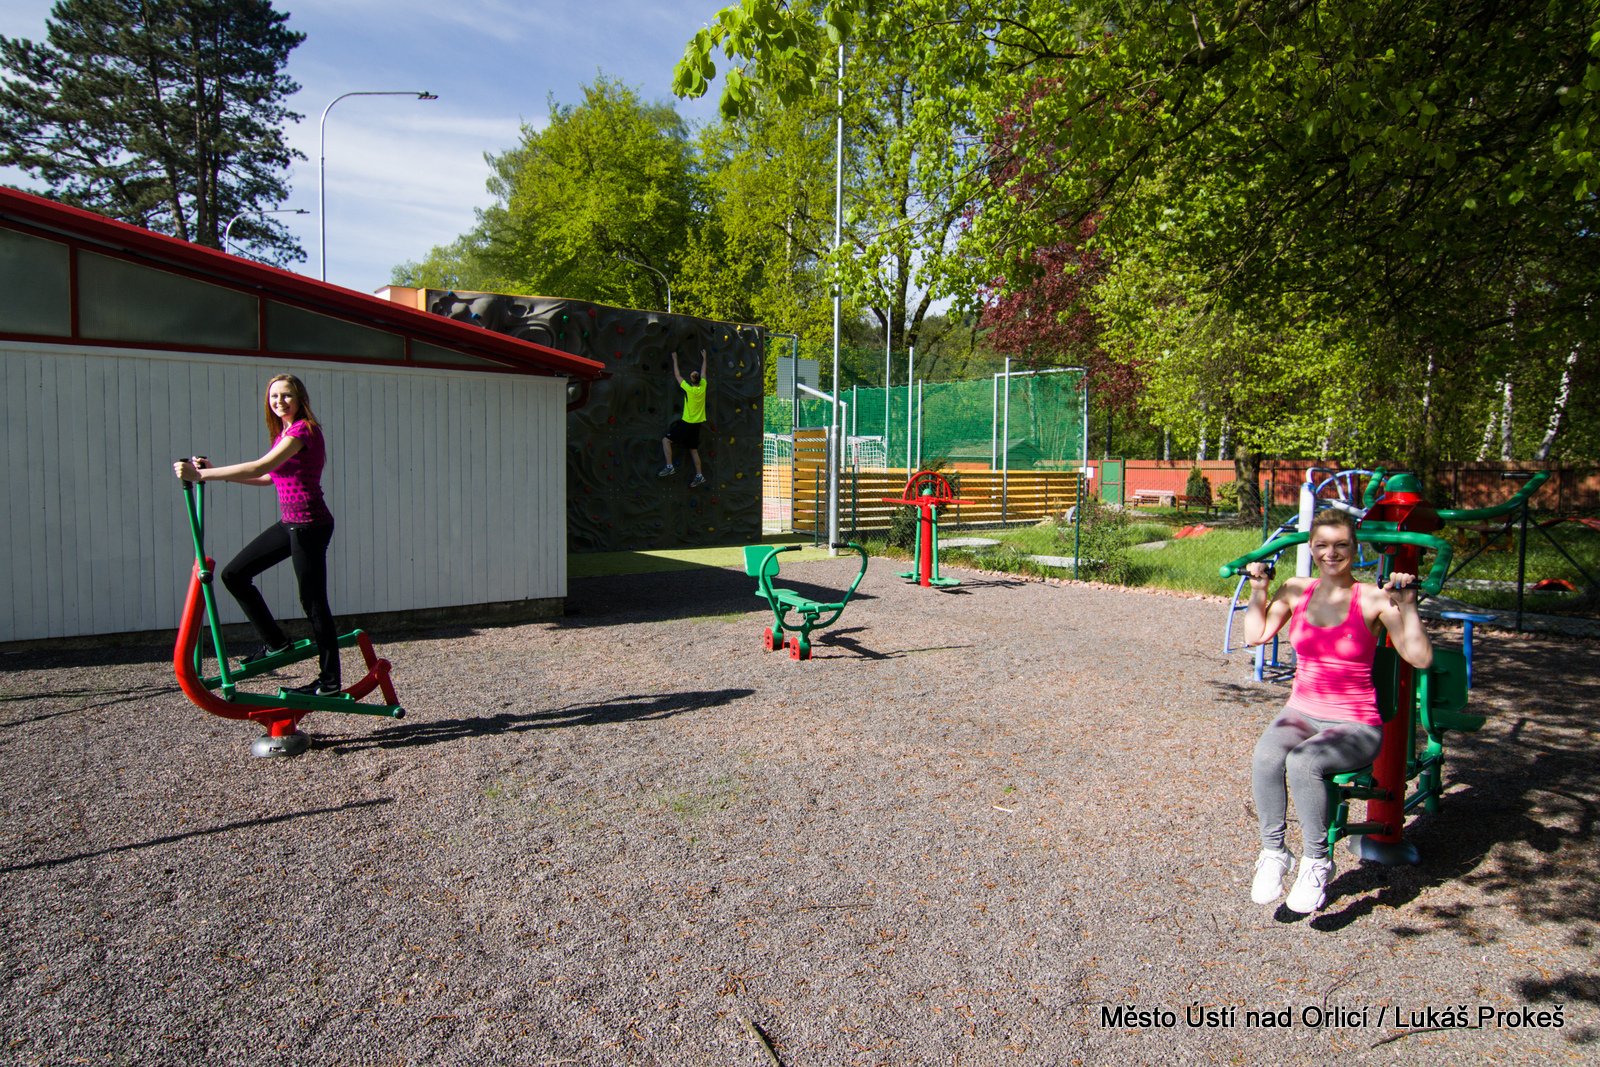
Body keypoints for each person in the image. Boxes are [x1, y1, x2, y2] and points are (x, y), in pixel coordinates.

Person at [1241, 508, 1433, 914]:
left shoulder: (1374, 599)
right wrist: (1259, 589)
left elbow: (1419, 657)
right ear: (1311, 548)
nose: (1331, 553)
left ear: (1354, 548)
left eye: (1341, 545)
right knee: (1266, 756)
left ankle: (1316, 861)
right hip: (1302, 713)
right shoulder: (1296, 590)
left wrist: (1409, 605)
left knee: (1304, 762)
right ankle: (1275, 852)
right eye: (1323, 545)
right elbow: (1256, 634)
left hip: (1355, 724)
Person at [173, 373, 341, 696]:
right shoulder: (284, 434)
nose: (280, 402)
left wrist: (202, 475)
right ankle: (276, 642)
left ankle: (330, 681)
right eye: (274, 396)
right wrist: (212, 472)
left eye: (286, 395)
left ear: (300, 398)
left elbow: (259, 467)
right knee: (234, 574)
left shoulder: (303, 431)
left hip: (310, 525)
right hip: (291, 523)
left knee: (313, 602)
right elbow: (268, 478)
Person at [659, 348, 708, 487]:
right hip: (697, 425)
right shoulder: (703, 386)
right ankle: (700, 475)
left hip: (687, 423)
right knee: (693, 449)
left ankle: (669, 466)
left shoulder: (689, 389)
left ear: (692, 380)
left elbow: (677, 375)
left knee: (665, 441)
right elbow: (704, 372)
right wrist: (705, 358)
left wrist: (675, 359)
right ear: (699, 380)